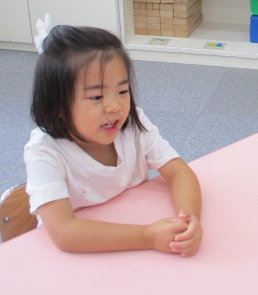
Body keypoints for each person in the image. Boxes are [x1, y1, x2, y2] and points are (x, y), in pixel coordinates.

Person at [25, 23, 203, 256]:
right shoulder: (44, 151)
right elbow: (65, 233)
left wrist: (188, 219)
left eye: (122, 91)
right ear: (57, 105)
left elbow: (179, 172)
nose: (115, 106)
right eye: (97, 96)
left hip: (131, 234)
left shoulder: (134, 123)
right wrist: (147, 236)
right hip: (82, 255)